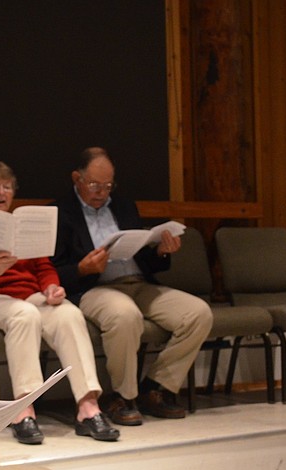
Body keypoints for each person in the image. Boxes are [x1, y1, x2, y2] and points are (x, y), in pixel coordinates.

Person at [0, 161, 120, 445]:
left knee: (68, 314)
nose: (2, 192)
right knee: (24, 314)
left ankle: (88, 407)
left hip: (28, 296)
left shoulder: (21, 228)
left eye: (7, 187)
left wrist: (52, 287)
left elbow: (43, 268)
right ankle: (23, 409)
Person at [52, 147, 213, 426]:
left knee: (198, 313)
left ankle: (156, 388)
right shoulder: (60, 212)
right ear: (76, 178)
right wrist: (82, 268)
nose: (101, 192)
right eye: (94, 184)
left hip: (139, 283)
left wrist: (161, 251)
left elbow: (143, 258)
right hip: (95, 288)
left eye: (108, 185)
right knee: (124, 314)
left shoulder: (124, 206)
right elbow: (54, 270)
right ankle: (122, 396)